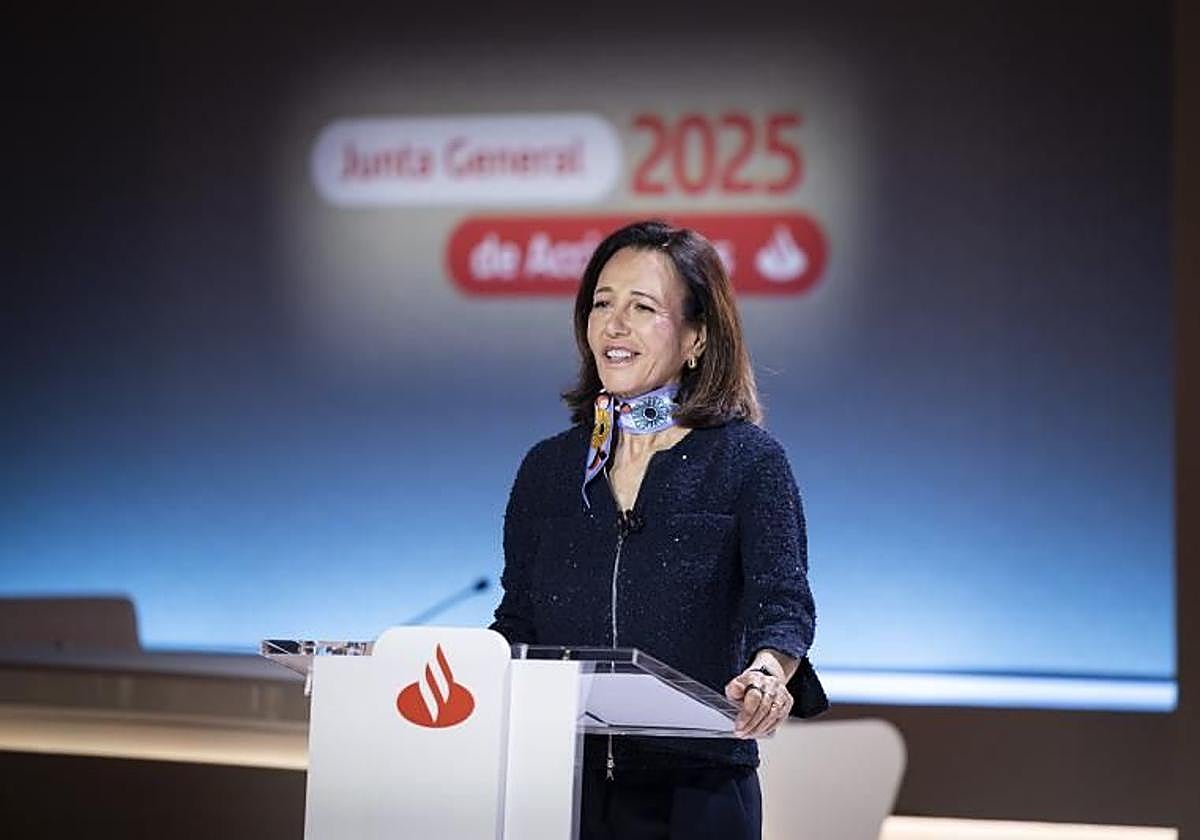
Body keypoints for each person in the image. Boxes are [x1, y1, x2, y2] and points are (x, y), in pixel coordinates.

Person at [490, 220, 825, 840]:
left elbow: (783, 606)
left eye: (642, 307)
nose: (614, 326)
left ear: (696, 337)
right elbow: (517, 624)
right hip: (560, 785)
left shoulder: (747, 461)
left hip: (697, 793)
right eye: (602, 304)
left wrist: (769, 674)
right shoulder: (548, 469)